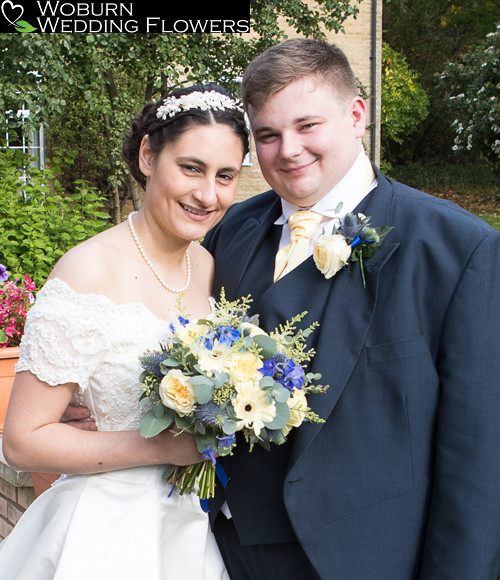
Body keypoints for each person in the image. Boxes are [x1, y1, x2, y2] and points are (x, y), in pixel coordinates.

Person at [200, 39, 500, 579]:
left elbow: (477, 451)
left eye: (307, 125)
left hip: (367, 558)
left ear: (356, 115)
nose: (288, 150)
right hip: (221, 548)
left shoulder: (457, 248)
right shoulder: (232, 230)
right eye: (267, 135)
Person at [0, 83, 249, 580]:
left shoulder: (206, 265)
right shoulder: (88, 271)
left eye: (225, 176)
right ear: (147, 155)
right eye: (191, 168)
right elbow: (22, 442)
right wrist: (161, 446)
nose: (208, 194)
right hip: (102, 535)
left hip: (188, 532)